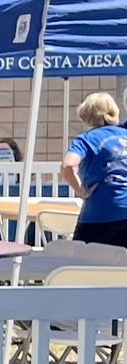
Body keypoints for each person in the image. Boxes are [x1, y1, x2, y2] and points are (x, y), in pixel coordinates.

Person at [60, 94, 127, 248]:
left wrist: (81, 191)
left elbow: (68, 165)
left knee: (82, 263)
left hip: (98, 214)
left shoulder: (86, 139)